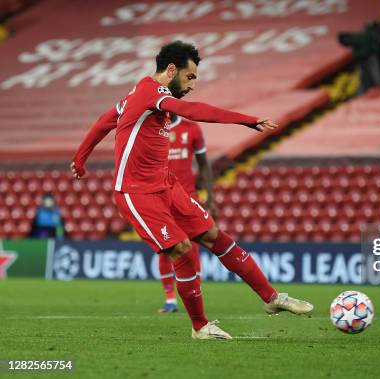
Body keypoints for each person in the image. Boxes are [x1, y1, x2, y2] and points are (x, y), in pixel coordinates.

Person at [70, 40, 313, 339]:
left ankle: (271, 297)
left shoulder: (135, 95)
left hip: (166, 185)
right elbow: (190, 109)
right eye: (190, 77)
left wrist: (80, 160)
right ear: (171, 70)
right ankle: (200, 327)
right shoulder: (152, 92)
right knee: (183, 251)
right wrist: (246, 120)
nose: (193, 84)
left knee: (214, 235)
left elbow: (104, 122)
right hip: (136, 192)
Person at [158, 114, 216, 313]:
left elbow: (204, 164)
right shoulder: (152, 127)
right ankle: (170, 300)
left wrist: (210, 198)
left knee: (192, 246)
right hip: (161, 197)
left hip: (188, 196)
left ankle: (194, 296)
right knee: (166, 247)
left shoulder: (192, 129)